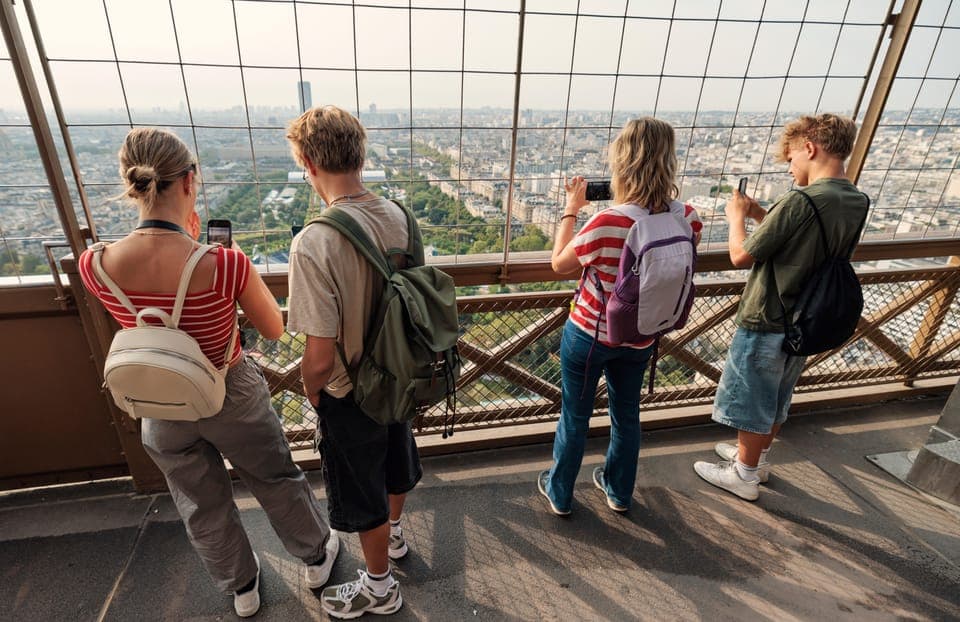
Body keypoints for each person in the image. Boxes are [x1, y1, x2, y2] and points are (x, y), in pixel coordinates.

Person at [78, 128, 338, 618]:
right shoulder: (224, 263)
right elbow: (273, 328)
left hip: (158, 399)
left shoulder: (96, 264)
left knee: (199, 501)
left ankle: (242, 586)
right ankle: (316, 558)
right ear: (189, 181)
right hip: (228, 386)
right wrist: (204, 254)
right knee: (274, 477)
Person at [286, 105, 419, 619]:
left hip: (351, 388)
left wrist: (312, 391)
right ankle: (396, 534)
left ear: (307, 163)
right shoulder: (400, 217)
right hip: (401, 373)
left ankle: (380, 587)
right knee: (396, 460)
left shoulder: (315, 242)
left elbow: (319, 356)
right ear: (360, 156)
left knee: (362, 490)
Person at [693, 113, 870, 501]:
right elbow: (811, 240)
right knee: (776, 397)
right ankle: (756, 459)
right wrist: (761, 214)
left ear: (810, 148)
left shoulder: (800, 200)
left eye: (791, 158)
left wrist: (736, 218)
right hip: (807, 317)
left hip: (769, 312)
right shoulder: (856, 200)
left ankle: (743, 475)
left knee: (753, 397)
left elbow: (741, 255)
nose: (790, 168)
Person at [538, 117, 702, 516]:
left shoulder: (608, 221)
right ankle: (618, 491)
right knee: (627, 414)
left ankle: (560, 493)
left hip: (591, 333)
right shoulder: (688, 217)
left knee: (575, 414)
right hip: (642, 333)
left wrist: (571, 210)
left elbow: (559, 264)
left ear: (622, 162)